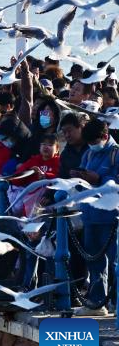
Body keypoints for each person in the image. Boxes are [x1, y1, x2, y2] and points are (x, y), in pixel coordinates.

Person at [72, 118, 119, 315]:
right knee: (94, 262)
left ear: (105, 136)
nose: (92, 146)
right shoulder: (89, 153)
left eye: (94, 142)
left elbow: (115, 181)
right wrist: (79, 176)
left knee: (115, 261)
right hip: (90, 215)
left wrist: (99, 179)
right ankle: (97, 302)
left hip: (110, 217)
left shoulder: (116, 154)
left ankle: (116, 303)